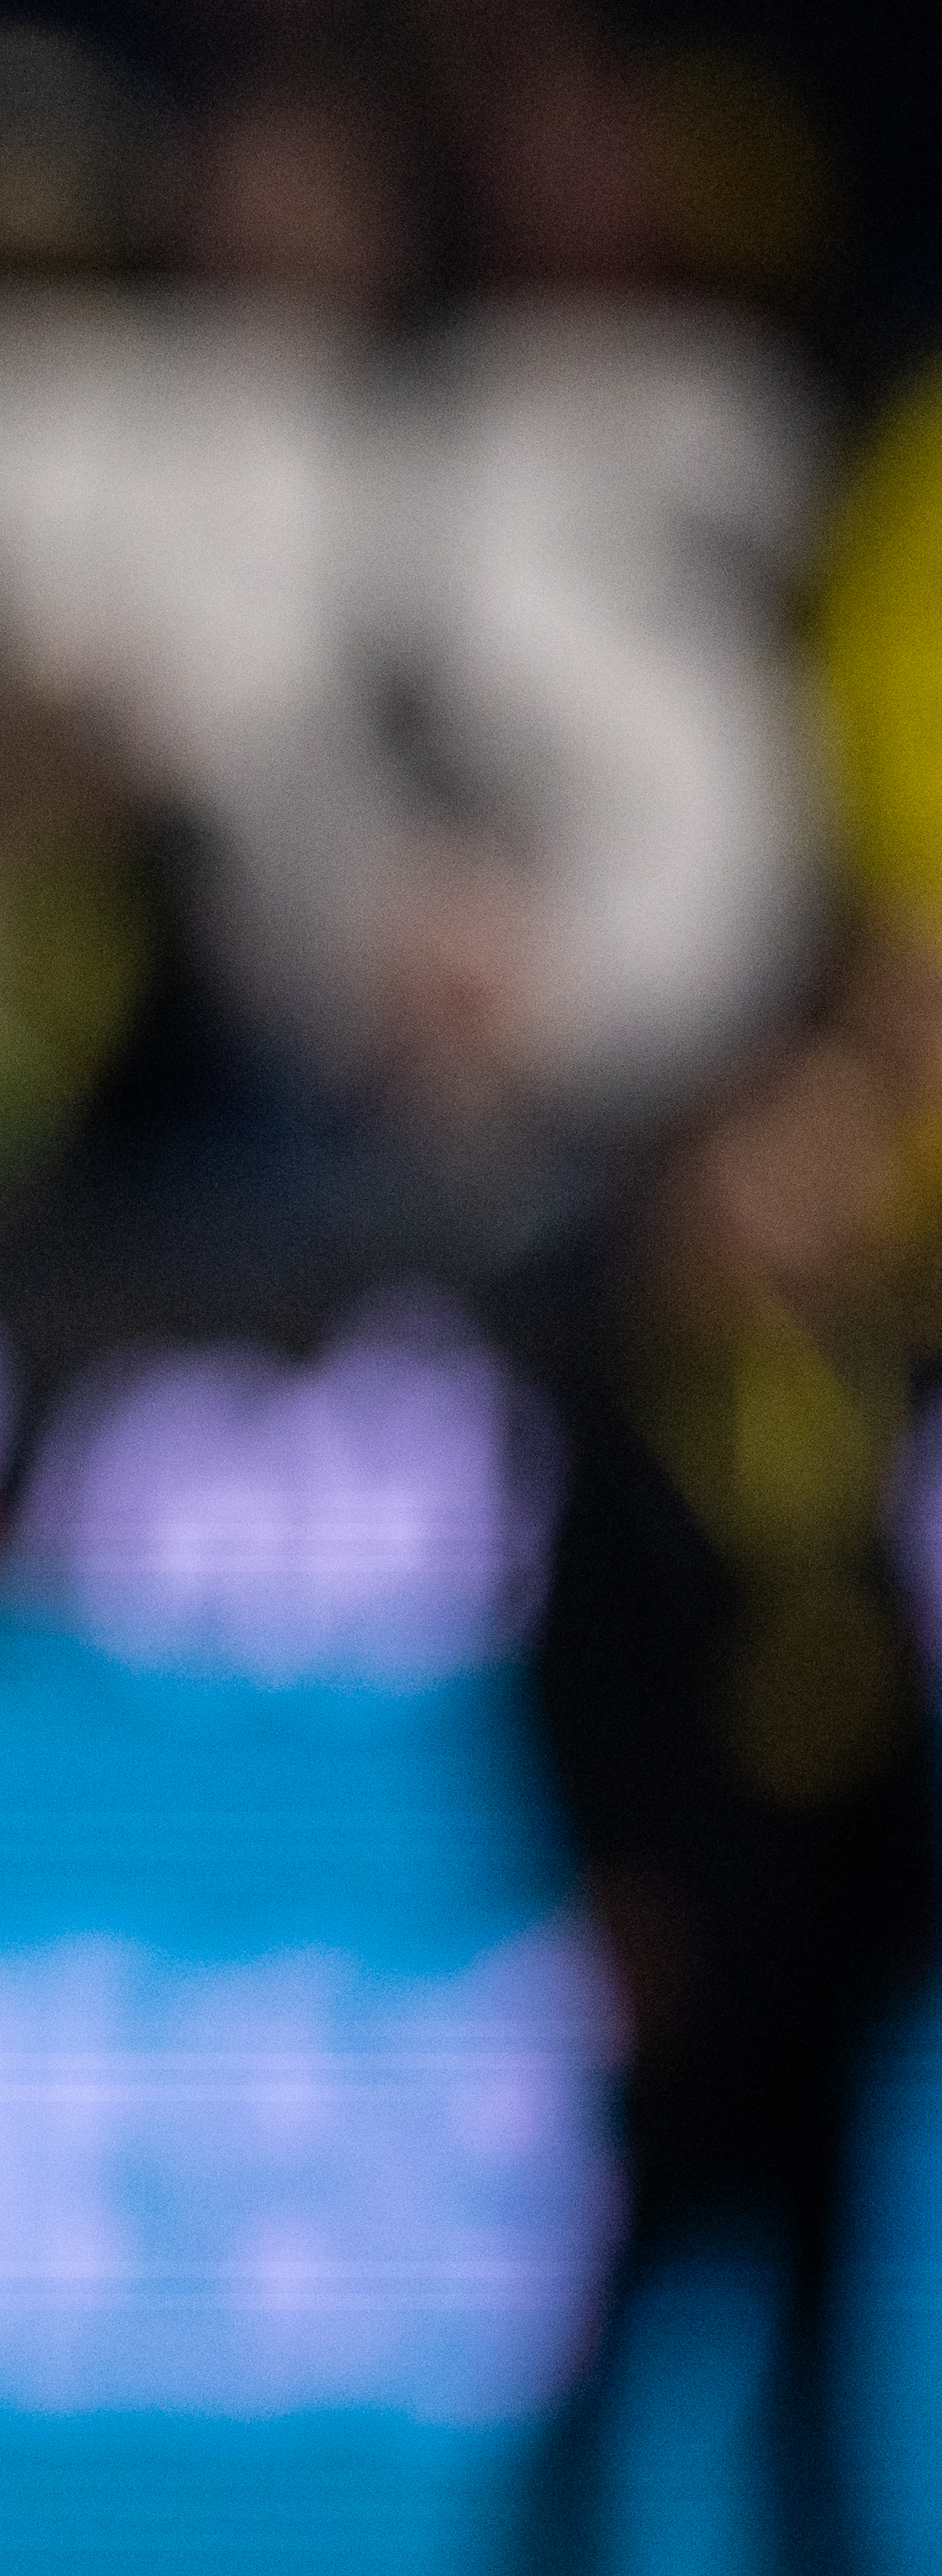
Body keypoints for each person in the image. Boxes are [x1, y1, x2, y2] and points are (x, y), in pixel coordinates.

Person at [513, 1009, 938, 2576]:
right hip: (699, 1927)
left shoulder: (874, 1386)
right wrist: (621, 1894)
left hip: (836, 1928)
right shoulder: (625, 1396)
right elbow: (576, 1676)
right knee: (641, 2289)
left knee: (819, 2317)